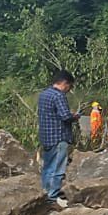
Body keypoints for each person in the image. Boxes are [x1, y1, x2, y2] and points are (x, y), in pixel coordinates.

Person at [37, 70, 79, 207]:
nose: (69, 90)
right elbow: (65, 116)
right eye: (69, 87)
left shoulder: (43, 94)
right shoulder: (58, 96)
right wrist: (75, 116)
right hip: (59, 136)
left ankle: (45, 193)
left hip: (46, 137)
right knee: (58, 169)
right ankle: (52, 197)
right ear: (65, 84)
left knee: (47, 167)